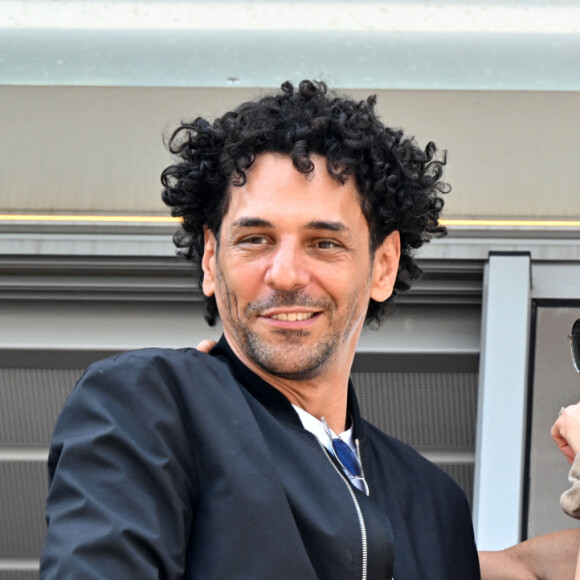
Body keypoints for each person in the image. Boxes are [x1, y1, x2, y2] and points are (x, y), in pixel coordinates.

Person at [40, 80, 481, 579]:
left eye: (324, 243)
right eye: (255, 239)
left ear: (383, 265)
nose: (286, 273)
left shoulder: (434, 502)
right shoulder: (150, 404)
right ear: (211, 259)